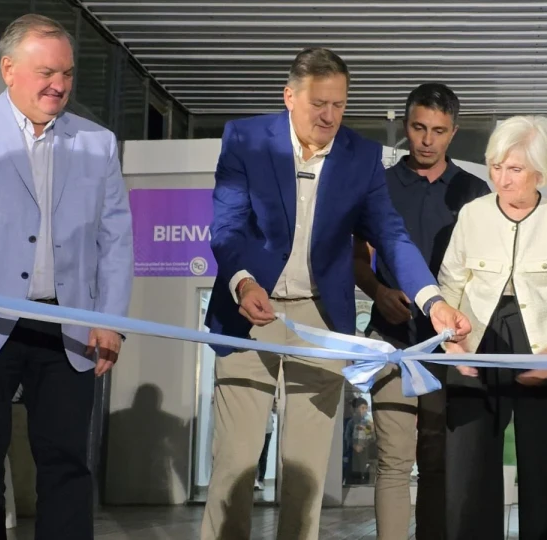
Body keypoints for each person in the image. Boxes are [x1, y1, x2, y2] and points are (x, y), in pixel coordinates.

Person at [202, 47, 472, 540]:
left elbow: (390, 235)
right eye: (318, 104)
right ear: (290, 97)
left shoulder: (361, 156)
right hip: (247, 314)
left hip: (320, 321)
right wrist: (242, 281)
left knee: (305, 473)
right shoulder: (245, 139)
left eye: (339, 105)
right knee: (236, 464)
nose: (329, 116)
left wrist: (432, 301)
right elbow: (227, 225)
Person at [0, 14, 133, 540]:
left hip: (68, 326)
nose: (60, 86)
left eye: (69, 75)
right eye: (47, 72)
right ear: (8, 69)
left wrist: (111, 322)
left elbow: (116, 239)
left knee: (68, 466)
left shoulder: (97, 143)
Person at [438, 115, 547, 540]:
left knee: (545, 469)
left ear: (541, 172)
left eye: (515, 169)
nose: (502, 179)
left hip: (543, 345)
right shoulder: (472, 214)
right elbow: (448, 288)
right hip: (474, 342)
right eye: (495, 166)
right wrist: (452, 348)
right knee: (468, 471)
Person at [353, 83, 490, 539]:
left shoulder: (475, 192)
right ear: (406, 127)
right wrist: (377, 290)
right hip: (390, 340)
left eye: (438, 130)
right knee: (393, 459)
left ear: (453, 133)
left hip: (447, 345)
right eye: (417, 128)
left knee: (436, 458)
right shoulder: (380, 186)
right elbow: (357, 258)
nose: (426, 140)